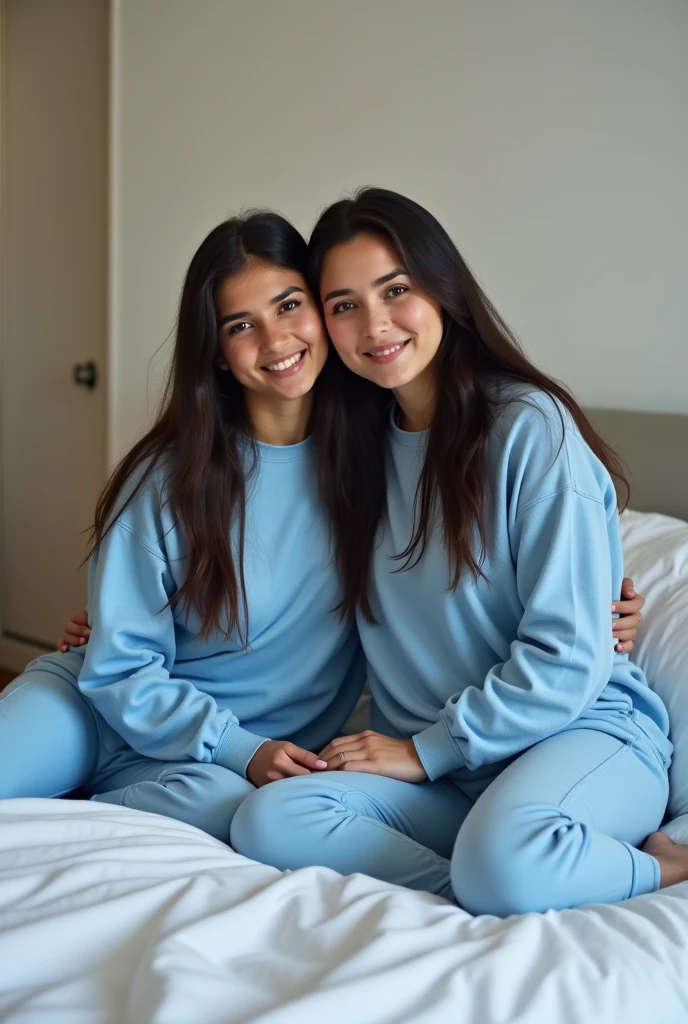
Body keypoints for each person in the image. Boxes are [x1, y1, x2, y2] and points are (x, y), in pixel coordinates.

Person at [230, 188, 684, 916]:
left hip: (577, 739)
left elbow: (569, 655)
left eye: (396, 290)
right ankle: (500, 875)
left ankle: (657, 867)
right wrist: (121, 624)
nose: (374, 324)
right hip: (450, 777)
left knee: (502, 858)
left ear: (442, 289)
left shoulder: (529, 428)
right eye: (343, 305)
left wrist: (422, 751)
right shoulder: (356, 451)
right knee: (271, 817)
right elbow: (269, 574)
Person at [0, 211, 365, 840]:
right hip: (91, 711)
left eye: (288, 305)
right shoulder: (168, 476)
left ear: (324, 311)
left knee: (233, 817)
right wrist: (115, 624)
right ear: (218, 354)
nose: (276, 340)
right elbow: (119, 668)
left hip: (224, 764)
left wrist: (593, 604)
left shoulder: (380, 468)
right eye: (241, 326)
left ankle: (80, 809)